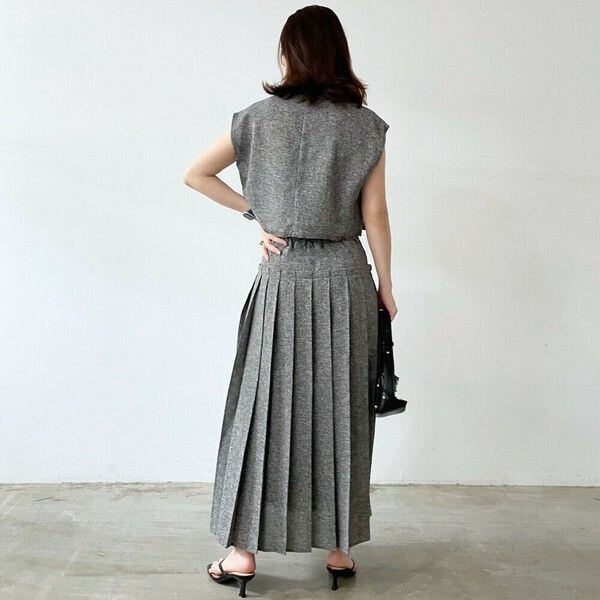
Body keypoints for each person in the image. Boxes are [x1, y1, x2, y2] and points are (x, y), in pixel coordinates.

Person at [183, 5, 396, 596]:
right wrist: (386, 285)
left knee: (263, 411)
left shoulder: (255, 120)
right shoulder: (366, 127)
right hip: (346, 277)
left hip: (282, 274)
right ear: (339, 55)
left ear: (289, 55)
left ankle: (242, 554)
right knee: (340, 412)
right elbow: (376, 215)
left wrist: (257, 213)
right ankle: (338, 548)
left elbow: (196, 173)